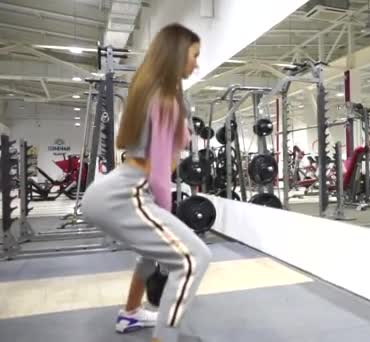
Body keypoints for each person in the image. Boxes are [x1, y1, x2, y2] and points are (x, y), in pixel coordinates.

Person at [81, 23, 211, 342]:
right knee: (195, 258)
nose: (197, 62)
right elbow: (159, 173)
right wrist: (166, 213)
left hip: (113, 187)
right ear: (178, 54)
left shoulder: (148, 86)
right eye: (194, 55)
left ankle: (129, 313)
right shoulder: (167, 100)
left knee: (150, 252)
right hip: (131, 191)